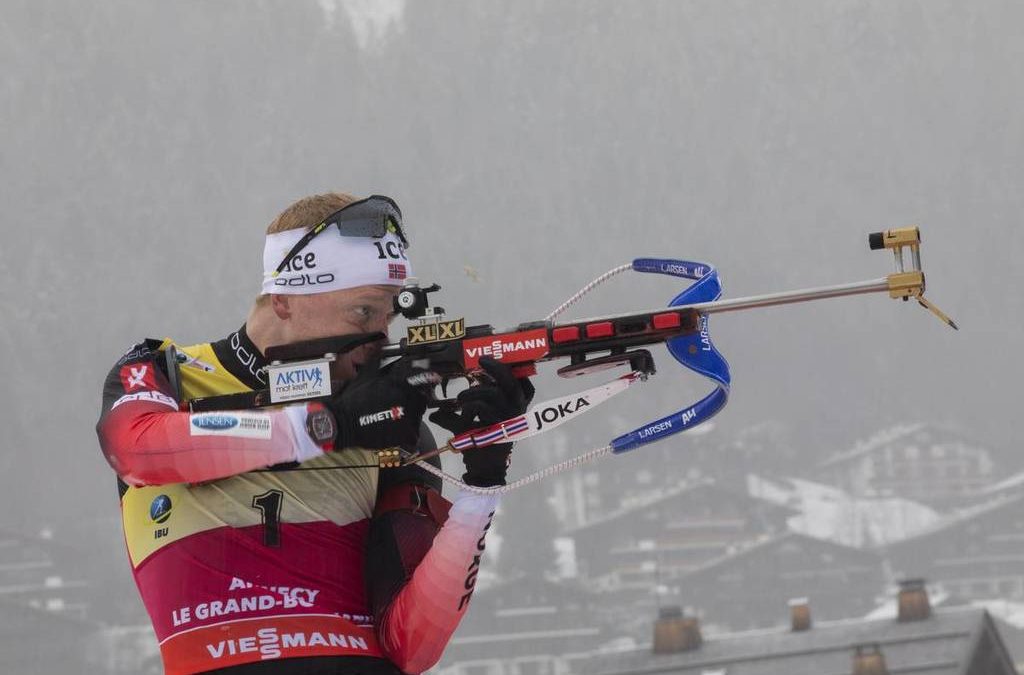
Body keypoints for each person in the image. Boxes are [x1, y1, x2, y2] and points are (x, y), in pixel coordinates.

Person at [96, 192, 533, 675]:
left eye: (389, 316)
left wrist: (482, 483)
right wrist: (332, 426)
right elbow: (136, 448)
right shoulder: (167, 371)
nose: (379, 339)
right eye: (363, 313)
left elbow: (413, 644)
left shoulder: (392, 424)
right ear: (282, 299)